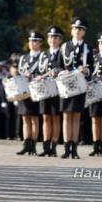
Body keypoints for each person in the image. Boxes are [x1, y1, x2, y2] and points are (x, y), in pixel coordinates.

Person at [59, 17, 93, 159]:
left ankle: (74, 148)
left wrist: (86, 71)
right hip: (67, 85)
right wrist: (61, 71)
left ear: (84, 32)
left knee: (76, 117)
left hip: (79, 85)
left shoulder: (88, 48)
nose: (78, 31)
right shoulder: (65, 46)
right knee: (67, 116)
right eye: (75, 28)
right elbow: (58, 65)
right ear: (71, 30)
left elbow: (92, 67)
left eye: (81, 29)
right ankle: (67, 148)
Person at [16, 31, 44, 156]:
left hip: (36, 91)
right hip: (24, 90)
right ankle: (26, 144)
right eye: (31, 40)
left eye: (35, 41)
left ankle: (33, 145)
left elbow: (45, 73)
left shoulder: (43, 57)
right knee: (25, 118)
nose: (32, 43)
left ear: (40, 43)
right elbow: (19, 72)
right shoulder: (23, 58)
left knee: (34, 119)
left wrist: (34, 75)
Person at [37, 26, 64, 157]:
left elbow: (67, 68)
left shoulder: (63, 53)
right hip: (45, 90)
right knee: (46, 118)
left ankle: (54, 146)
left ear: (60, 40)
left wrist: (58, 71)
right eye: (50, 37)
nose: (52, 39)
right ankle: (46, 146)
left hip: (57, 90)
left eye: (55, 37)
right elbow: (39, 70)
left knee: (56, 118)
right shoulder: (44, 54)